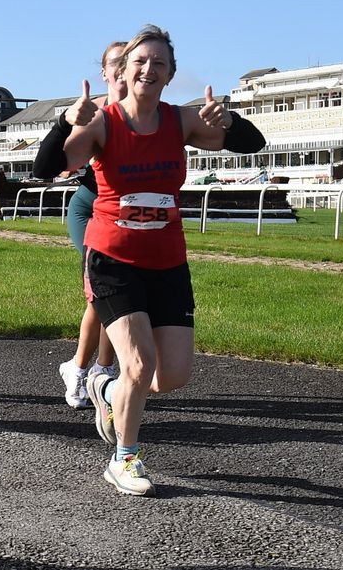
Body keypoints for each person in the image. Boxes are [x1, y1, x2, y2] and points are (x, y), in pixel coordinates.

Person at [59, 25, 265, 496]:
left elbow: (252, 144)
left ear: (171, 75)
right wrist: (66, 122)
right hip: (113, 258)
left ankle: (105, 391)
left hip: (168, 260)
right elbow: (49, 165)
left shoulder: (181, 120)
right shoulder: (103, 122)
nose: (149, 69)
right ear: (124, 71)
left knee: (170, 376)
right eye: (141, 62)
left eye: (160, 64)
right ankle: (124, 459)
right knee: (137, 362)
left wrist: (228, 121)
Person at [35, 42, 126, 408]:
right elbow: (57, 164)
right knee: (105, 294)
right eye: (114, 63)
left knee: (114, 295)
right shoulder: (93, 112)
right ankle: (86, 370)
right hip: (89, 208)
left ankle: (92, 370)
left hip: (123, 214)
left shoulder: (145, 113)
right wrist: (71, 123)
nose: (122, 69)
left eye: (128, 60)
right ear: (103, 72)